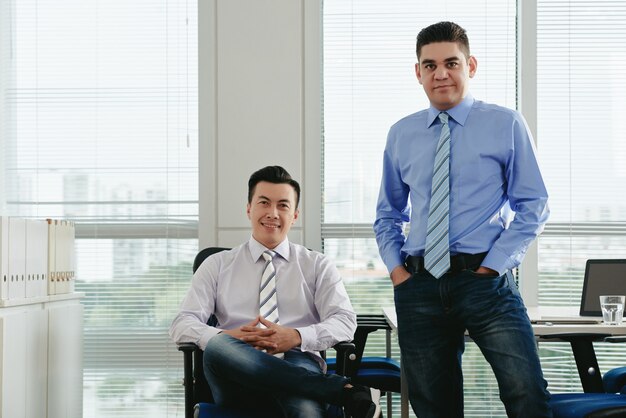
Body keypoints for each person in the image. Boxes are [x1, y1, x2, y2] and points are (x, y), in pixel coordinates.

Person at [373, 21, 552, 418]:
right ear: (417, 72)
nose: (440, 74)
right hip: (418, 285)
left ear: (470, 65)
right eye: (429, 65)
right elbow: (388, 212)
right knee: (433, 406)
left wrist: (493, 266)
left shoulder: (505, 123)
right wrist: (398, 272)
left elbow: (534, 203)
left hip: (484, 284)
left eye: (450, 63)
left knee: (526, 392)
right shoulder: (401, 134)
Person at [170, 165, 381, 418]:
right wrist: (228, 335)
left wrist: (296, 336)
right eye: (264, 203)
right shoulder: (217, 265)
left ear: (295, 215)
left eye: (283, 205)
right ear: (249, 208)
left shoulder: (317, 265)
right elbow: (182, 323)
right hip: (234, 369)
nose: (272, 213)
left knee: (306, 412)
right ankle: (342, 391)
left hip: (297, 361)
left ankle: (323, 390)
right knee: (217, 346)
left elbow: (345, 321)